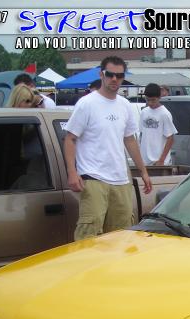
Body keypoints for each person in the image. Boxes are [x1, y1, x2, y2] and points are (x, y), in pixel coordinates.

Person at [63, 56, 152, 241]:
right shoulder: (87, 103)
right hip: (93, 177)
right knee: (89, 234)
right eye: (110, 74)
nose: (114, 79)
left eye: (119, 76)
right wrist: (72, 173)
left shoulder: (125, 105)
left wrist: (143, 172)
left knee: (121, 236)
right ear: (101, 74)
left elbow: (130, 140)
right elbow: (70, 139)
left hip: (121, 179)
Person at [139, 83, 177, 167]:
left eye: (153, 100)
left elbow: (170, 138)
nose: (150, 103)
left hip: (159, 162)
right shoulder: (144, 112)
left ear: (159, 97)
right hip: (144, 161)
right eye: (147, 100)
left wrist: (161, 160)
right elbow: (142, 135)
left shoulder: (164, 114)